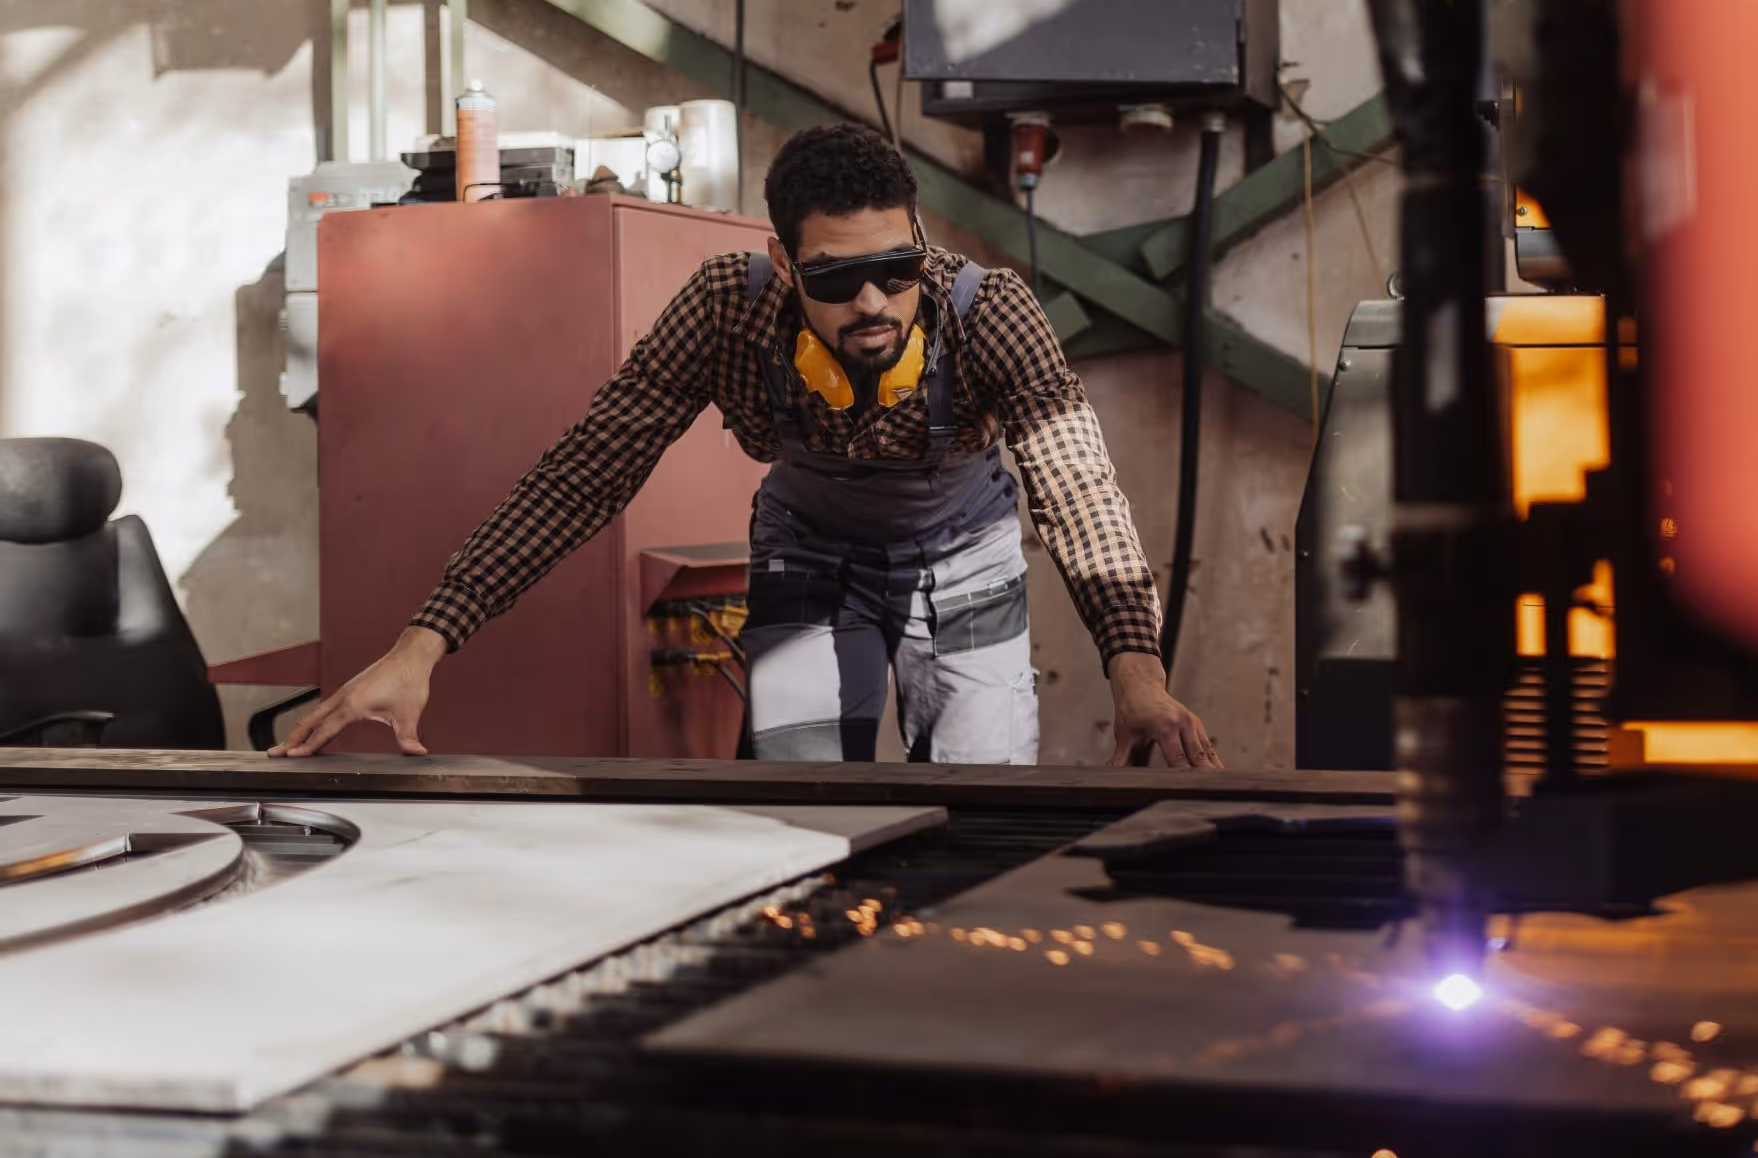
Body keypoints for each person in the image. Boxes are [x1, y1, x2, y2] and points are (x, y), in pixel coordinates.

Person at [273, 123, 1220, 768]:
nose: (875, 304)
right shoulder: (728, 310)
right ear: (783, 262)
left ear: (920, 242)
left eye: (897, 270)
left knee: (984, 802)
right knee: (799, 804)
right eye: (839, 279)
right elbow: (582, 475)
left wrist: (1136, 675)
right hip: (809, 556)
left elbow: (1079, 492)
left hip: (967, 562)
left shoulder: (991, 315)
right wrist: (423, 643)